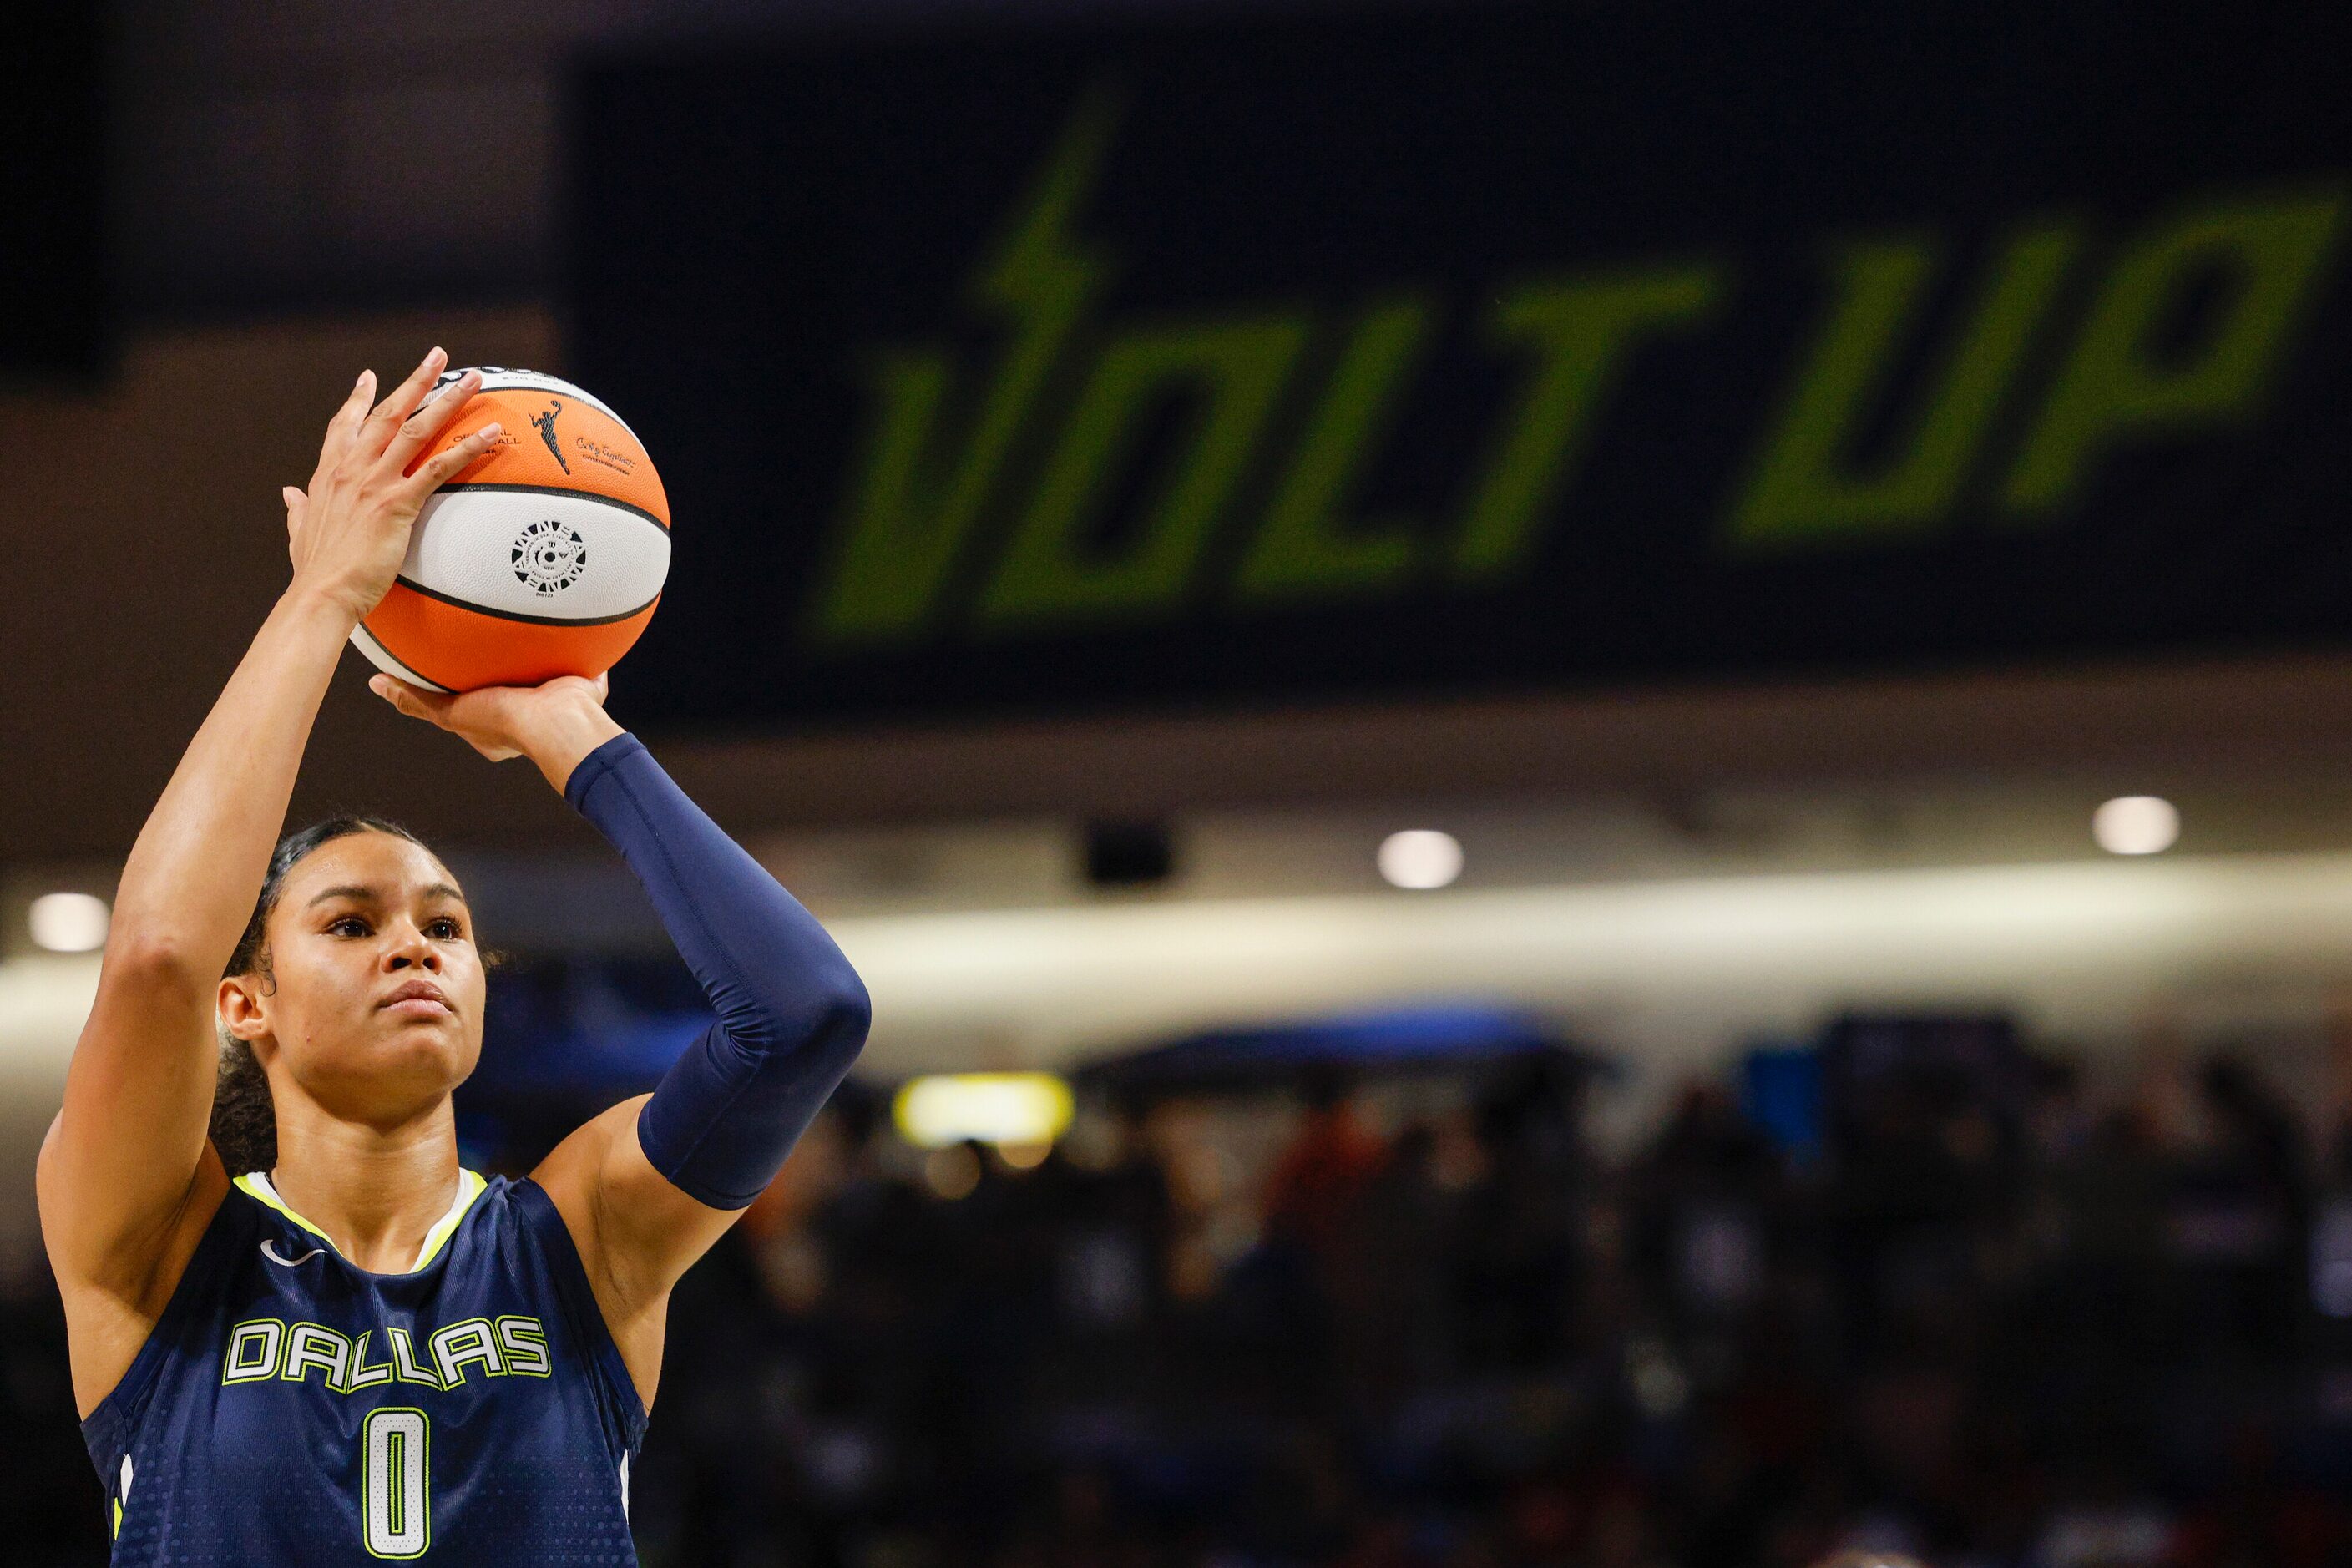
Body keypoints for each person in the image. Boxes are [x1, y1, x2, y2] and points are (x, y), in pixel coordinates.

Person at [35, 350, 872, 1563]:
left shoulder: (583, 1235)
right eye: (349, 921)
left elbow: (804, 1016)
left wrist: (572, 728)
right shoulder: (159, 1237)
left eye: (444, 924)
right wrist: (322, 596)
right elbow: (158, 951)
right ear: (247, 1002)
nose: (412, 949)